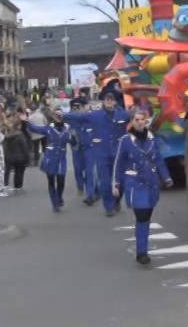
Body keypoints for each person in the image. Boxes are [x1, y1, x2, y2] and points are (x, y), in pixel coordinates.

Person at [113, 108, 174, 265]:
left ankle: (142, 248)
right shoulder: (125, 140)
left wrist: (166, 177)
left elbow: (158, 159)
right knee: (142, 215)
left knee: (146, 216)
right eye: (137, 120)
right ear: (132, 122)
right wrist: (116, 183)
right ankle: (142, 252)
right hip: (134, 183)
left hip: (151, 182)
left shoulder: (152, 139)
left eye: (143, 119)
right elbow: (118, 163)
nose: (140, 122)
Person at [65, 91, 130, 216]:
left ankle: (117, 200)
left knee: (121, 181)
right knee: (105, 183)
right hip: (102, 154)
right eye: (107, 99)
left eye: (111, 99)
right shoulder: (96, 115)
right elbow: (79, 117)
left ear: (115, 102)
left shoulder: (123, 115)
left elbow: (138, 118)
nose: (109, 101)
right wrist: (63, 115)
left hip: (119, 155)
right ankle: (109, 207)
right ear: (103, 101)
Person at [29, 111, 76, 212]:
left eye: (60, 115)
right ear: (53, 117)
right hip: (50, 158)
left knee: (61, 180)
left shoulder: (67, 129)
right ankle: (55, 203)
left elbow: (73, 142)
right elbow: (34, 128)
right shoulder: (48, 128)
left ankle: (59, 197)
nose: (58, 117)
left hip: (61, 159)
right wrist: (25, 121)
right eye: (56, 115)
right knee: (51, 181)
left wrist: (74, 136)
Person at [3, 112, 31, 194]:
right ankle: (18, 186)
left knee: (14, 171)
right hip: (20, 156)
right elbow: (24, 147)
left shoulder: (8, 135)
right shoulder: (20, 135)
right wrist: (27, 158)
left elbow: (6, 145)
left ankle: (12, 187)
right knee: (20, 172)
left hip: (10, 156)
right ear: (19, 126)